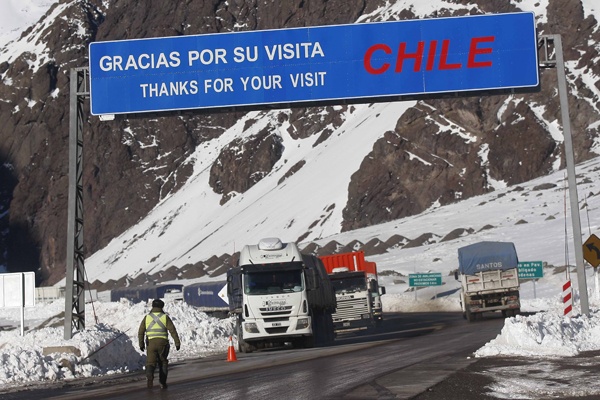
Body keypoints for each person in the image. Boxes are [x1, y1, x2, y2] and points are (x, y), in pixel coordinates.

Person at [138, 298, 181, 389]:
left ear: (153, 306)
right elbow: (172, 330)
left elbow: (141, 332)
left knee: (150, 362)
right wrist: (177, 342)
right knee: (163, 362)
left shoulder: (147, 317)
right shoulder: (165, 317)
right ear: (162, 307)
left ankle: (149, 375)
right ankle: (162, 383)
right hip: (162, 343)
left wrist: (141, 344)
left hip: (150, 344)